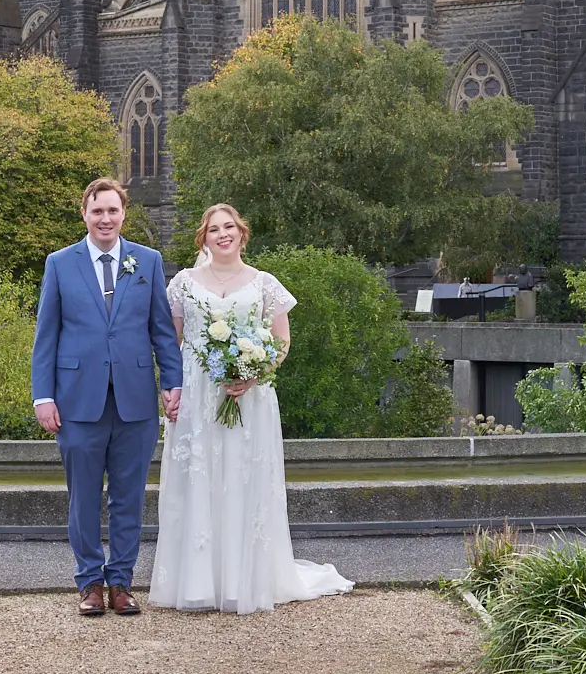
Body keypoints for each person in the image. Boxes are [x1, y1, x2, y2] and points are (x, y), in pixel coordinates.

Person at [149, 203, 353, 614]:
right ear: (203, 238)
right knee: (197, 480)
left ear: (242, 234)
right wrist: (167, 389)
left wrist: (253, 374)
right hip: (197, 393)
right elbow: (171, 343)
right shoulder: (183, 284)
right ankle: (197, 582)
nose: (222, 234)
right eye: (213, 229)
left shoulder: (264, 283)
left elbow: (281, 342)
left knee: (243, 478)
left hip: (249, 396)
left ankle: (246, 578)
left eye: (229, 227)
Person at [31, 178, 182, 618]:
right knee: (82, 496)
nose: (105, 219)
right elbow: (47, 336)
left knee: (129, 496)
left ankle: (121, 582)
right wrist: (44, 396)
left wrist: (172, 382)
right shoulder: (60, 264)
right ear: (85, 214)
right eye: (97, 211)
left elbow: (161, 331)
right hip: (77, 401)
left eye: (113, 211)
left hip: (134, 400)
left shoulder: (147, 262)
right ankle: (89, 584)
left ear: (123, 215)